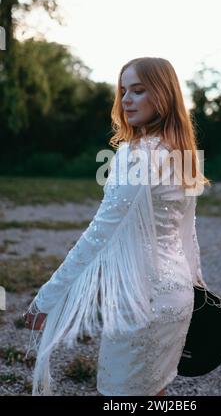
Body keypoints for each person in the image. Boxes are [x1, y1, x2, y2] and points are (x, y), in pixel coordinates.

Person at [23, 56, 211, 396]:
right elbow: (189, 233)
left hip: (139, 302)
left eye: (138, 91)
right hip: (177, 296)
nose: (125, 100)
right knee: (154, 390)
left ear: (163, 94)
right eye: (123, 90)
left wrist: (48, 298)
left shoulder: (137, 155)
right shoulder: (184, 155)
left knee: (123, 395)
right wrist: (198, 287)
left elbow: (99, 234)